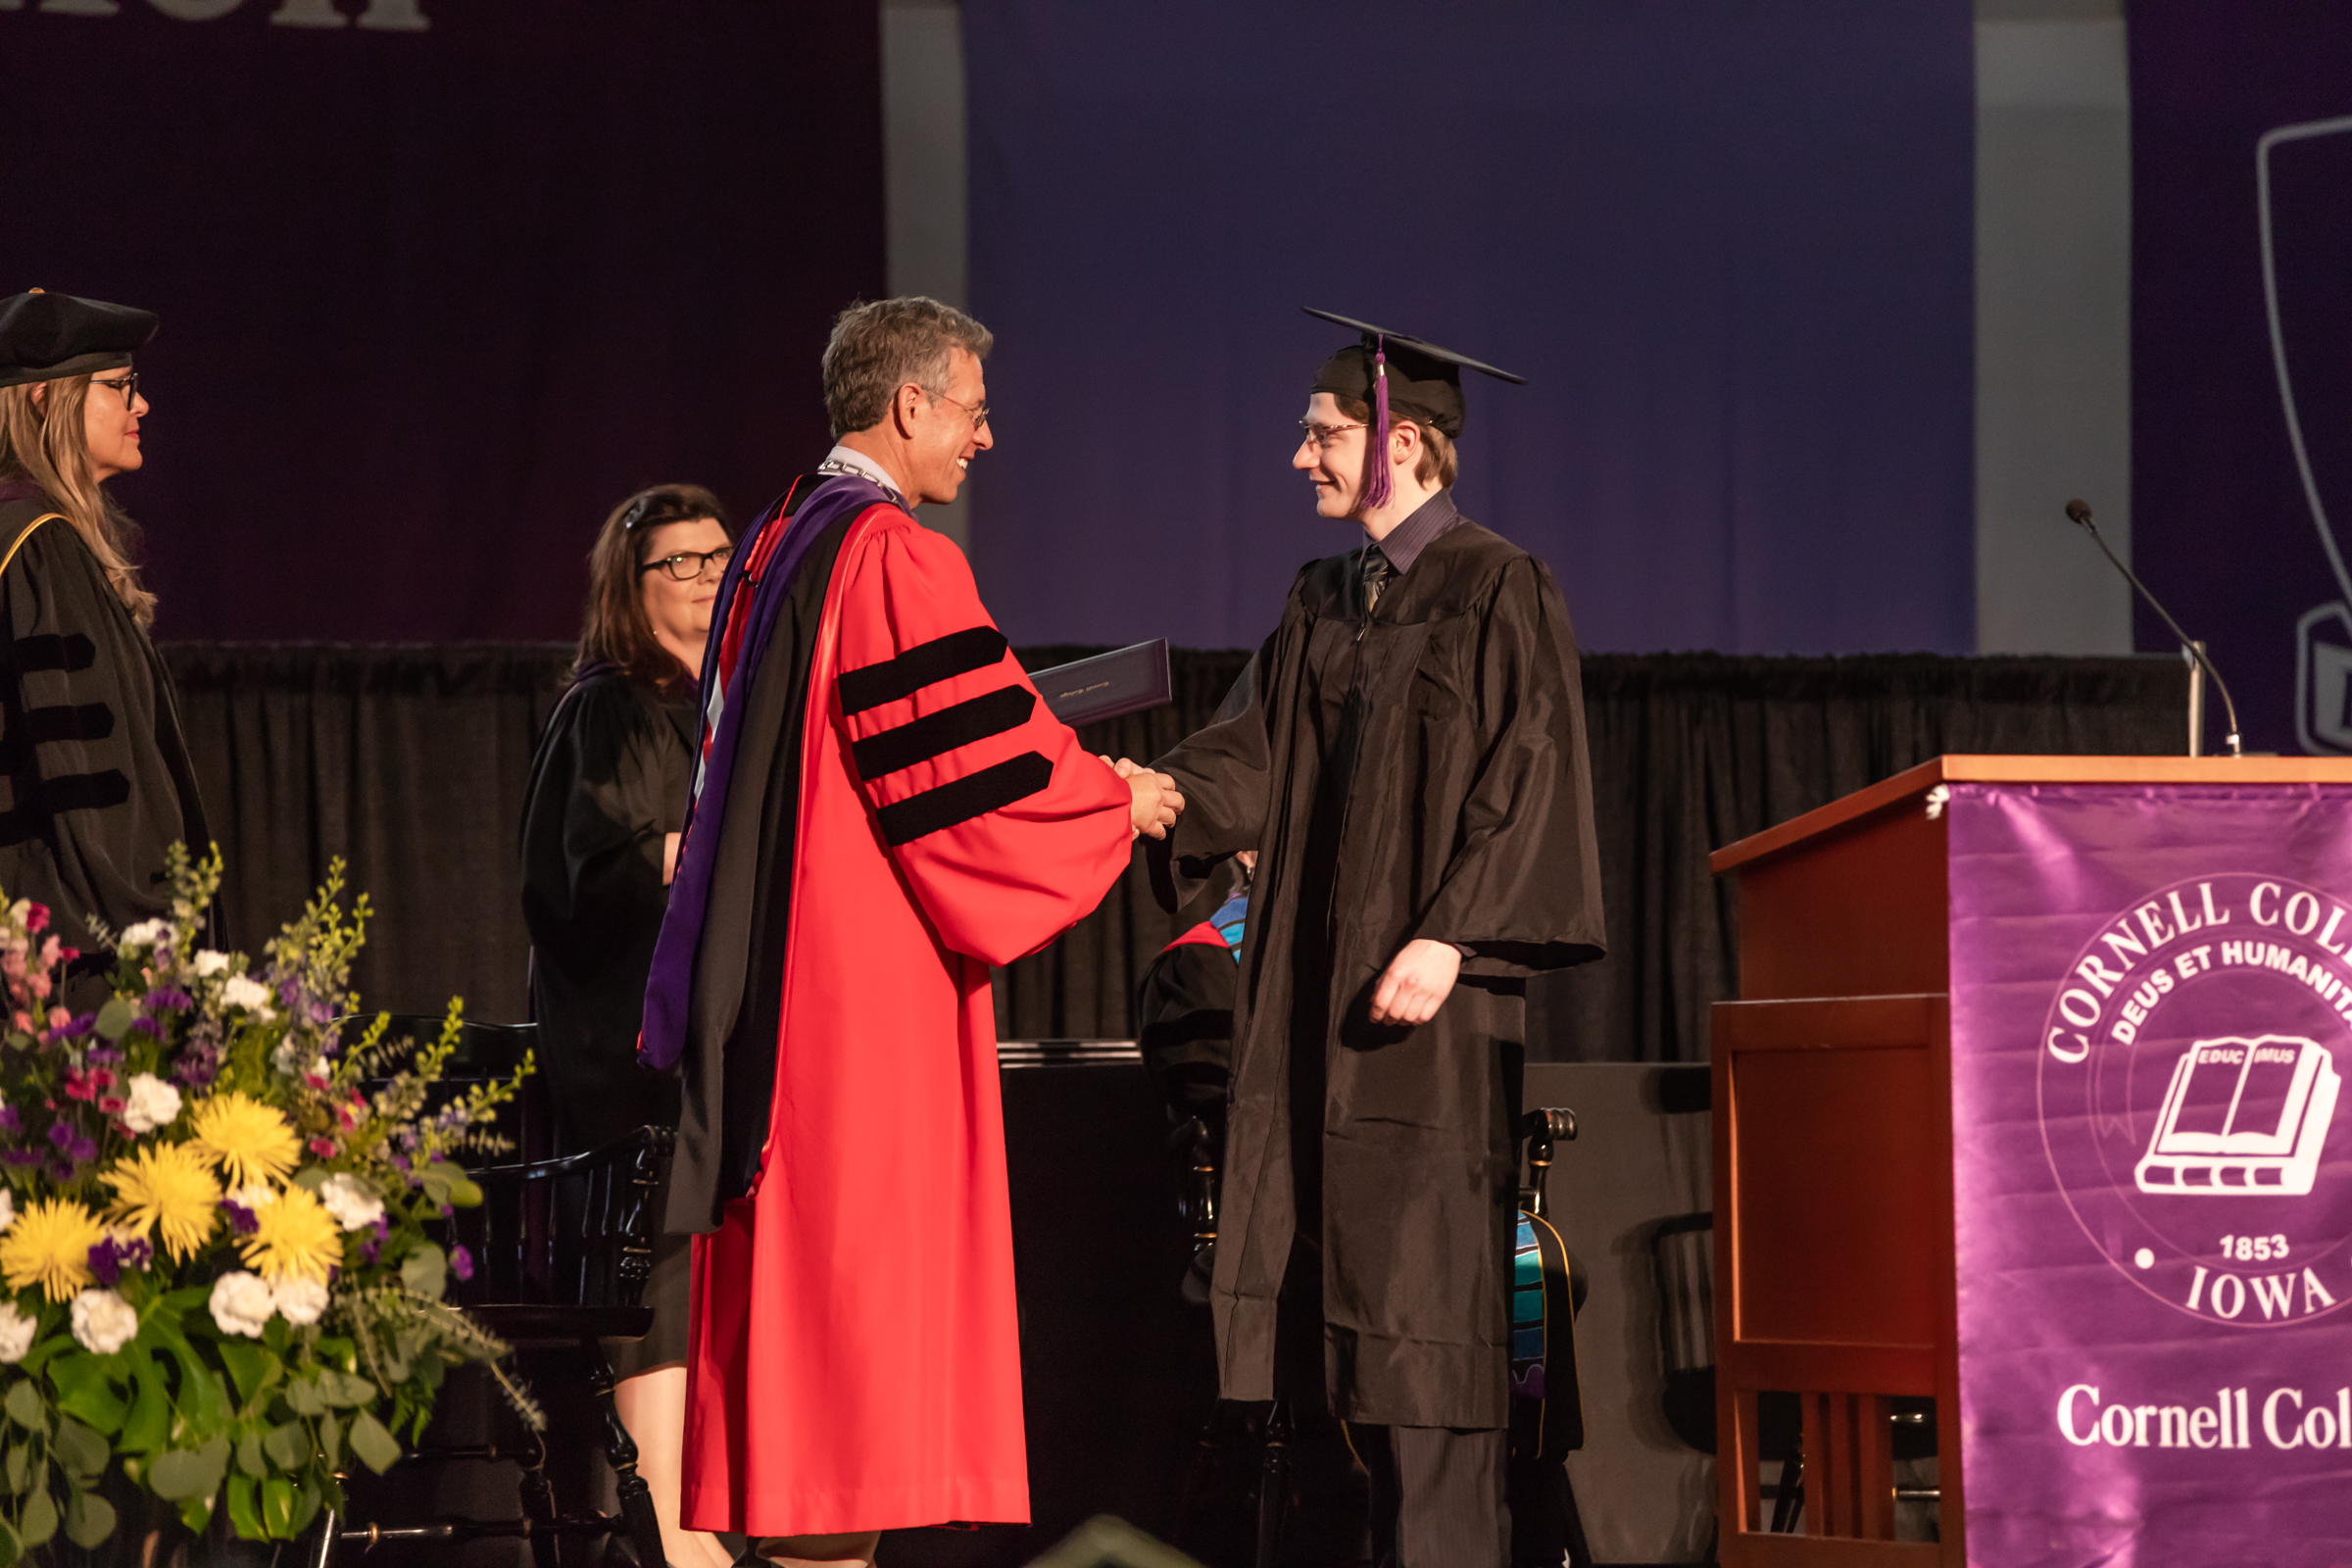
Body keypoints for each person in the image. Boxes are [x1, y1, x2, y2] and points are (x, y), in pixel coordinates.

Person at [637, 296, 1181, 1567]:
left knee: (807, 1394)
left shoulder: (775, 539)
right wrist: (1116, 798)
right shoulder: (893, 557)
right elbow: (971, 797)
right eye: (976, 412)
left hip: (772, 1006)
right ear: (911, 404)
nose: (985, 441)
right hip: (857, 1019)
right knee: (850, 1403)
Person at [1146, 311, 1605, 1567]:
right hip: (1315, 1018)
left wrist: (1453, 936)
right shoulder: (1320, 599)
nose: (1302, 454)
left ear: (1407, 439)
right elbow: (1250, 757)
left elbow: (1535, 774)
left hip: (1427, 1028)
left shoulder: (1500, 584)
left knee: (1428, 1345)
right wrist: (1135, 794)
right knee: (1336, 1354)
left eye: (1324, 431)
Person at [518, 481, 738, 1568]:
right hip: (636, 1065)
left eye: (717, 557)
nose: (704, 578)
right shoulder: (610, 705)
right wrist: (706, 858)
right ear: (630, 583)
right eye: (679, 563)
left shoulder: (731, 707)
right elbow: (582, 881)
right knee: (660, 1278)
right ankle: (676, 1547)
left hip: (714, 1061)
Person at [0, 289, 209, 992]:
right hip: (75, 956)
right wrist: (147, 932)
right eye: (120, 388)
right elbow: (84, 778)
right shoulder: (40, 549)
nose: (140, 406)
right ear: (44, 401)